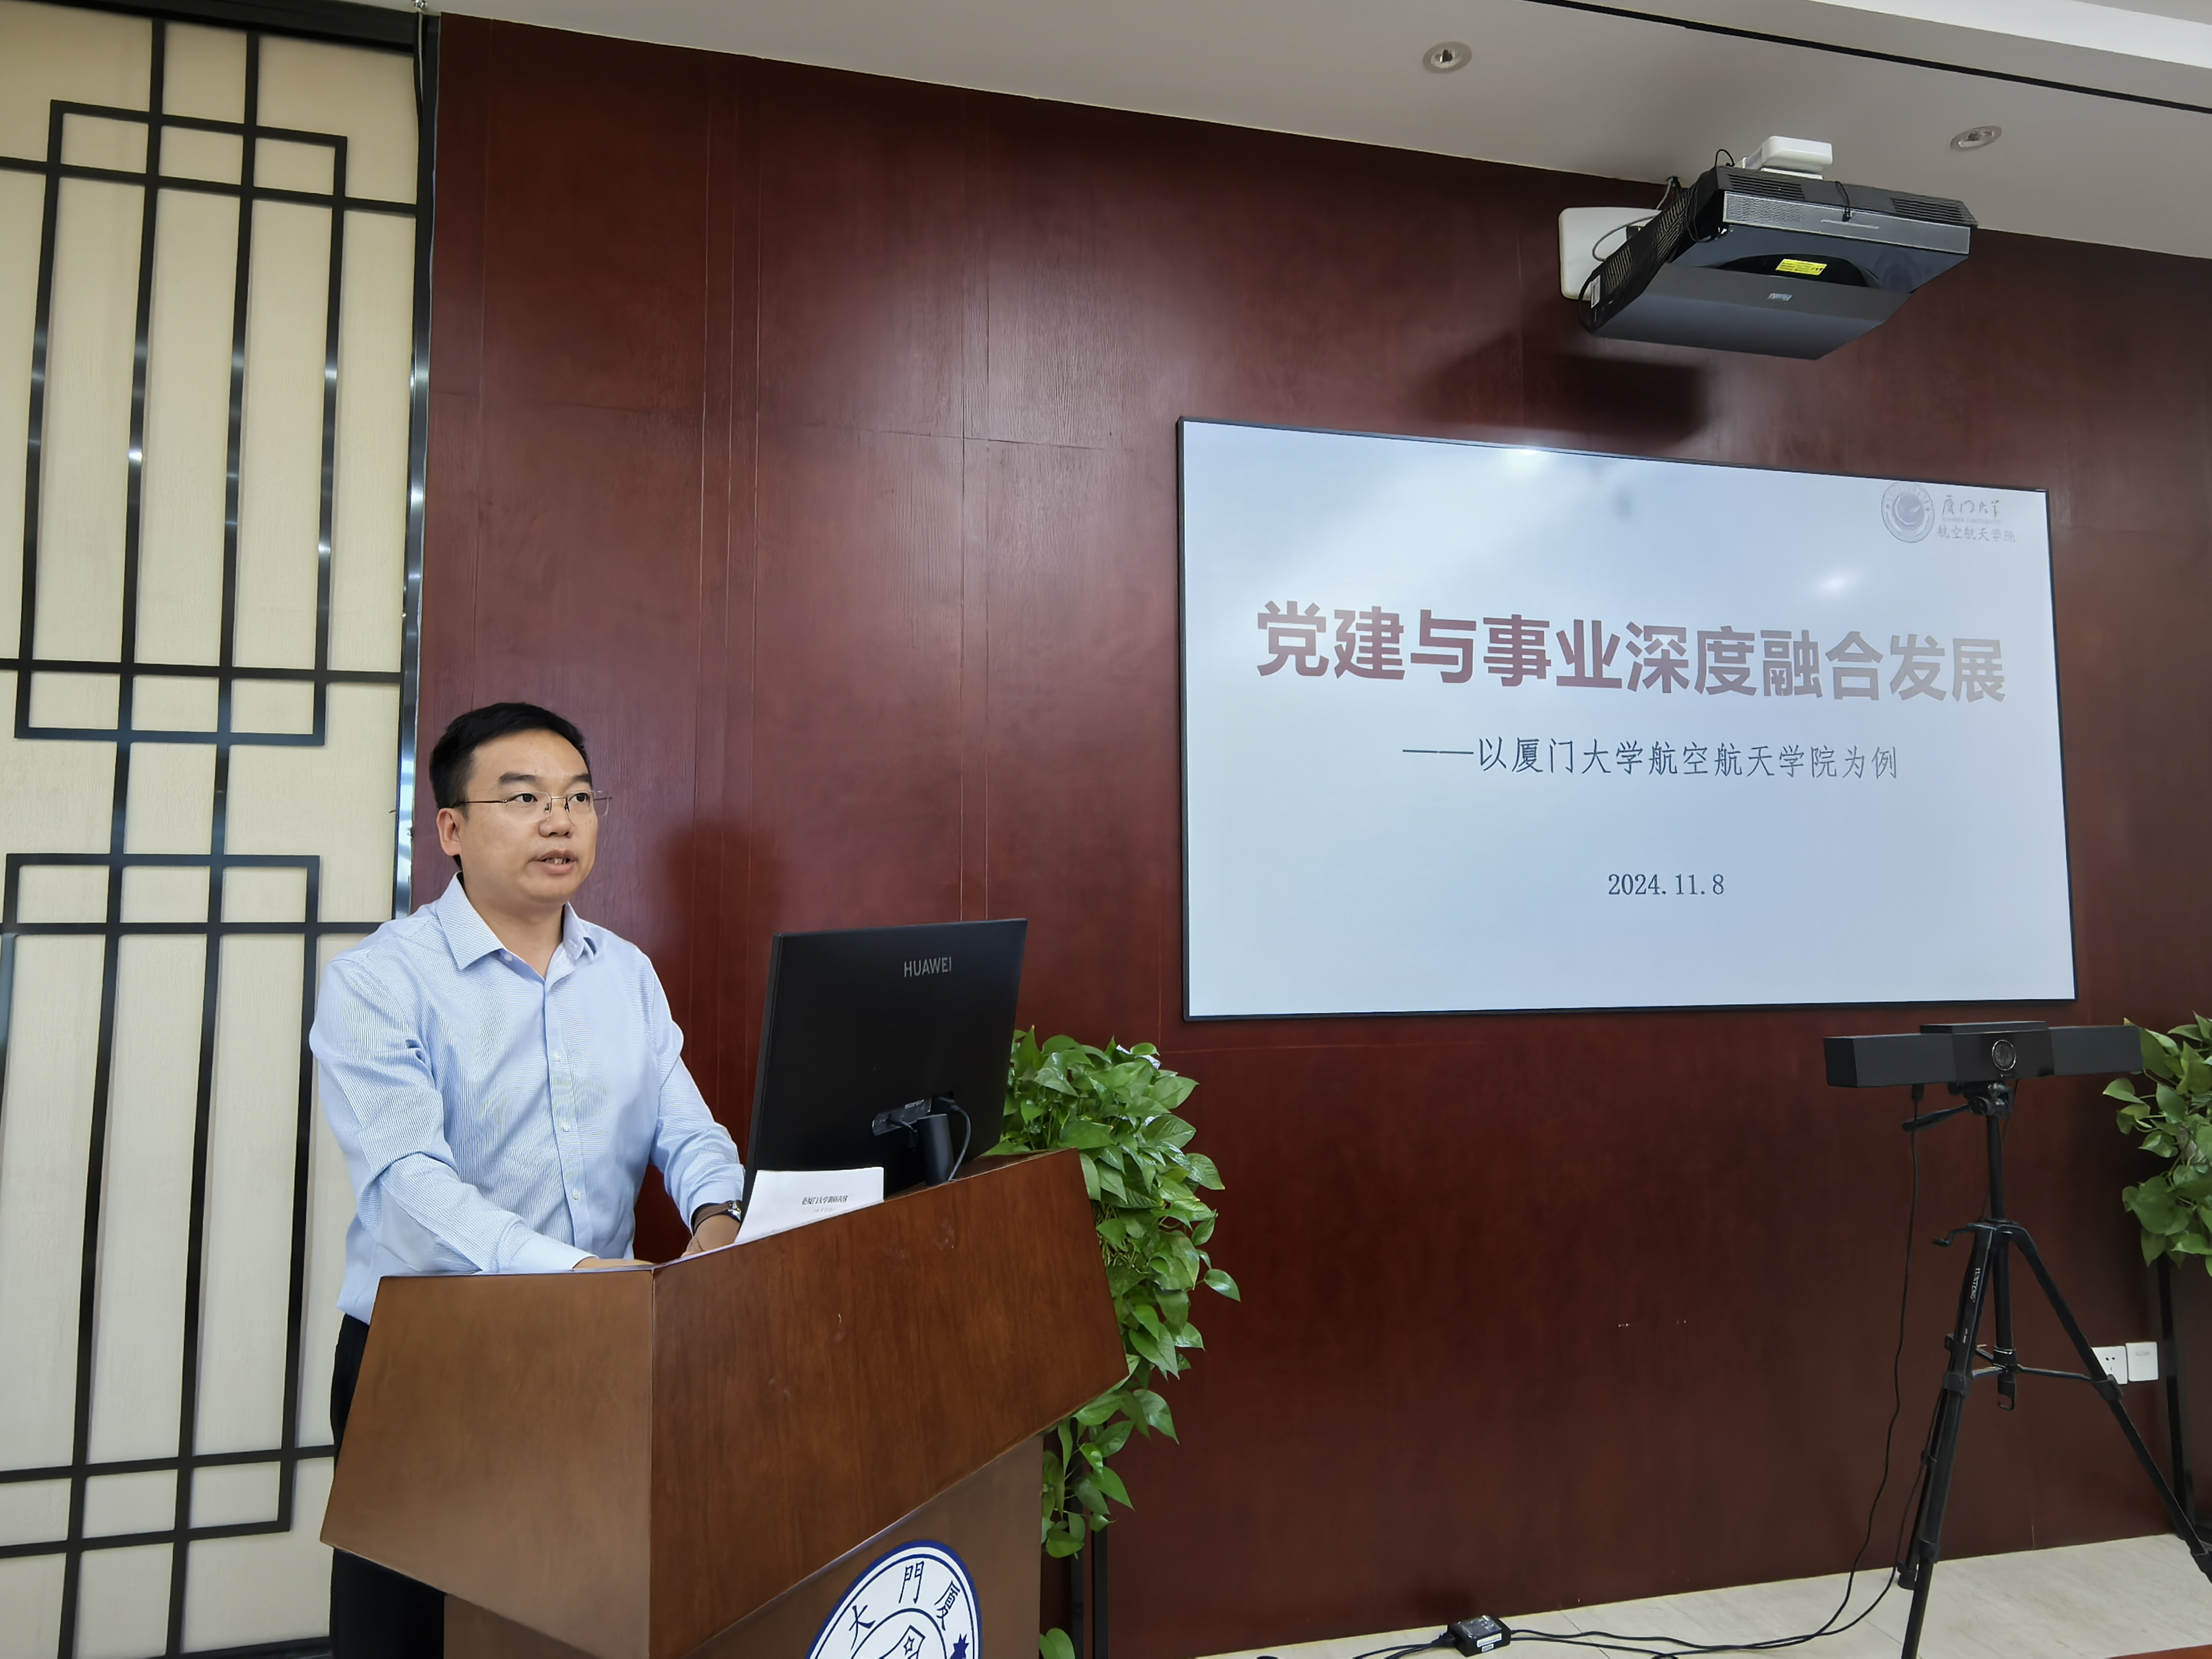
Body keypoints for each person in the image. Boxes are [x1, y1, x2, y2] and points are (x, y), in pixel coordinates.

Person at [309, 702, 744, 1658]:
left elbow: (687, 1128)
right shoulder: (379, 981)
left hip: (605, 1343)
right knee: (414, 1630)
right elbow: (409, 1183)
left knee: (573, 1613)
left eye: (578, 799)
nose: (560, 821)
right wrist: (575, 1275)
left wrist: (719, 1217)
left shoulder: (625, 972)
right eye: (525, 799)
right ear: (452, 830)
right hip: (434, 1357)